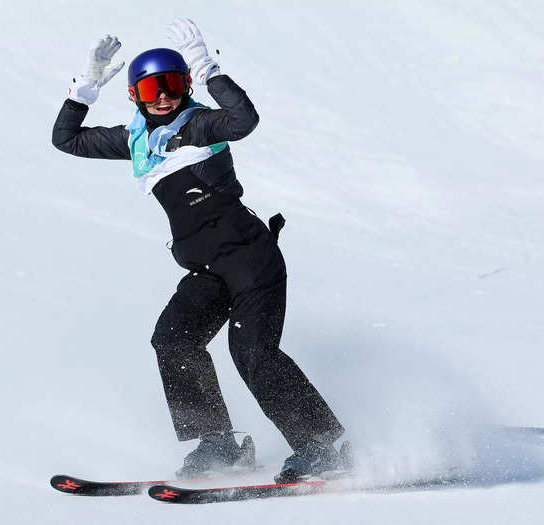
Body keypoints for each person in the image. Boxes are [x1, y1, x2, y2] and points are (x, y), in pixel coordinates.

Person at [52, 18, 345, 483]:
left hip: (251, 260)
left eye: (172, 85)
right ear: (135, 96)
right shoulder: (136, 142)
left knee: (251, 353)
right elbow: (66, 140)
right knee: (173, 338)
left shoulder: (203, 124)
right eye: (153, 89)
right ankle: (218, 445)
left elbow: (244, 120)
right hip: (208, 270)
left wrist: (207, 68)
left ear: (185, 87)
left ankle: (320, 447)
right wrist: (84, 88)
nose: (164, 96)